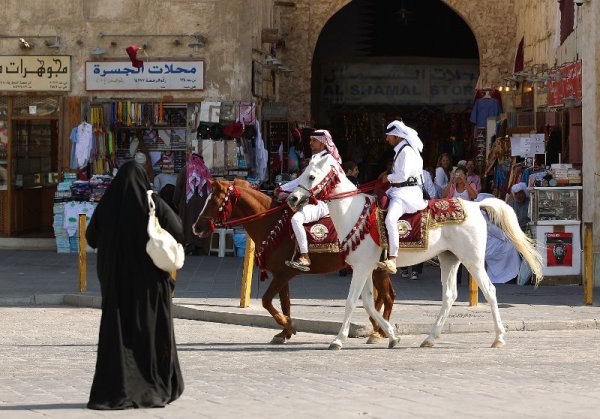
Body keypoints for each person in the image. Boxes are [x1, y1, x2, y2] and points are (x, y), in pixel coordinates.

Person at [85, 160, 184, 410]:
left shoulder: (107, 205)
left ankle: (116, 391)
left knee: (117, 334)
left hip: (115, 284)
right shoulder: (153, 203)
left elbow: (91, 238)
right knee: (149, 332)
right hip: (149, 286)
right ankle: (151, 389)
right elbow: (179, 230)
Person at [277, 129, 342, 272]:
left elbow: (314, 184)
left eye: (314, 140)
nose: (310, 143)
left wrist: (291, 192)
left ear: (323, 143)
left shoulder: (327, 160)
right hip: (312, 200)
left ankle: (305, 256)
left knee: (296, 220)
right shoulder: (316, 159)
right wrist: (282, 188)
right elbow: (302, 180)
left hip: (323, 203)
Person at [377, 120, 427, 274]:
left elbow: (403, 175)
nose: (387, 139)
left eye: (389, 136)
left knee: (390, 219)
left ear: (397, 136)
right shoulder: (402, 150)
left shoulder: (405, 151)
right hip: (398, 191)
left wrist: (388, 178)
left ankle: (393, 258)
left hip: (405, 194)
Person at [173, 152, 212, 255]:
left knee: (187, 222)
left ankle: (189, 245)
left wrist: (175, 201)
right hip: (203, 203)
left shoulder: (185, 170)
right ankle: (200, 245)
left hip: (187, 203)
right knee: (200, 222)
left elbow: (178, 187)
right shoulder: (206, 170)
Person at [339, 160, 359, 277]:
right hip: (351, 214)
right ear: (350, 171)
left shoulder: (341, 181)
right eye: (356, 170)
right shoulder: (352, 181)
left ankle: (343, 265)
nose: (358, 172)